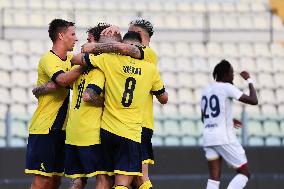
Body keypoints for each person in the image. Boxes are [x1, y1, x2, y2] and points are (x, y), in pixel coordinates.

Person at [71, 31, 168, 189]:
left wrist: (92, 49)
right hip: (130, 132)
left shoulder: (110, 60)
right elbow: (164, 98)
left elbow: (76, 59)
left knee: (112, 181)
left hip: (107, 131)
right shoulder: (150, 69)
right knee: (124, 182)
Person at [25, 19, 84, 189]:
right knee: (42, 180)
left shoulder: (70, 59)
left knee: (55, 180)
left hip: (62, 129)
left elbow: (90, 57)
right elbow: (63, 80)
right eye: (72, 34)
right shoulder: (48, 59)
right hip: (45, 128)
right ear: (61, 35)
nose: (76, 38)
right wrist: (83, 67)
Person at [101, 18, 158, 189]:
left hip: (138, 124)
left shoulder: (148, 53)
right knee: (129, 179)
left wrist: (92, 47)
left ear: (139, 35)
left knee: (139, 177)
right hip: (127, 125)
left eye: (131, 32)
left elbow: (122, 47)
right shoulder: (131, 57)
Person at [200, 60, 258, 189]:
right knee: (244, 173)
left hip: (208, 137)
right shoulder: (227, 87)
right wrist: (249, 80)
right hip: (224, 137)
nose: (233, 76)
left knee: (214, 179)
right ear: (226, 74)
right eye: (232, 73)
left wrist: (229, 120)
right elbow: (254, 100)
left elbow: (204, 118)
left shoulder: (206, 90)